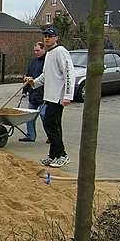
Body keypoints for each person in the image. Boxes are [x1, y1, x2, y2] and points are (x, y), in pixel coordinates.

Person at [25, 26, 75, 168]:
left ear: (56, 38)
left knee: (50, 125)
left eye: (50, 36)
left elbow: (69, 73)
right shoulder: (49, 54)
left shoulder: (61, 52)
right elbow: (46, 75)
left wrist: (67, 96)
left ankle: (62, 155)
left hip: (58, 97)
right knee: (53, 125)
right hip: (49, 96)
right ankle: (53, 155)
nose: (47, 38)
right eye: (45, 36)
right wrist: (33, 82)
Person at [20, 42, 47, 142]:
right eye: (34, 51)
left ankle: (51, 136)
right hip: (33, 94)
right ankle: (30, 135)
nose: (36, 52)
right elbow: (28, 76)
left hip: (44, 94)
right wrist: (25, 91)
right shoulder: (33, 62)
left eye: (38, 50)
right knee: (29, 116)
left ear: (43, 49)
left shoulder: (47, 61)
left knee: (44, 115)